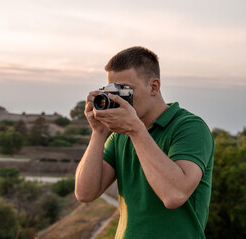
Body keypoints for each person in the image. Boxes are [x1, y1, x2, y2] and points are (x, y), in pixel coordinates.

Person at [74, 46, 214, 239]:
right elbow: (85, 193)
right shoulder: (120, 135)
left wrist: (136, 129)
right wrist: (98, 132)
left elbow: (174, 195)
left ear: (154, 87)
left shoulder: (190, 128)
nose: (118, 97)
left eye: (125, 90)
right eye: (113, 90)